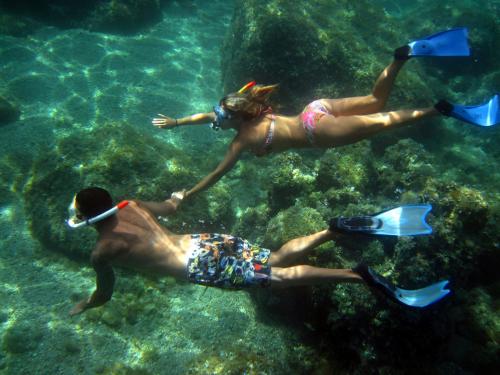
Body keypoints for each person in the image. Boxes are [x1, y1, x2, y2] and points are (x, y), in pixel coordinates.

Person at [152, 27, 498, 200]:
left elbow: (216, 175)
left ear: (235, 119)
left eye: (219, 116)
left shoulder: (241, 141)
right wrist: (178, 122)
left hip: (318, 133)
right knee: (375, 101)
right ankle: (402, 56)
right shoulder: (253, 113)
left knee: (383, 121)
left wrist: (187, 193)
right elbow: (206, 116)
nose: (215, 118)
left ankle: (441, 110)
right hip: (314, 109)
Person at [68, 187, 449, 316]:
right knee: (274, 258)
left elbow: (105, 294)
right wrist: (175, 197)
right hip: (207, 241)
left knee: (277, 278)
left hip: (197, 266)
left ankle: (358, 276)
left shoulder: (103, 251)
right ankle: (332, 229)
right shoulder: (131, 205)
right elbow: (170, 207)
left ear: (87, 217)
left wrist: (87, 304)